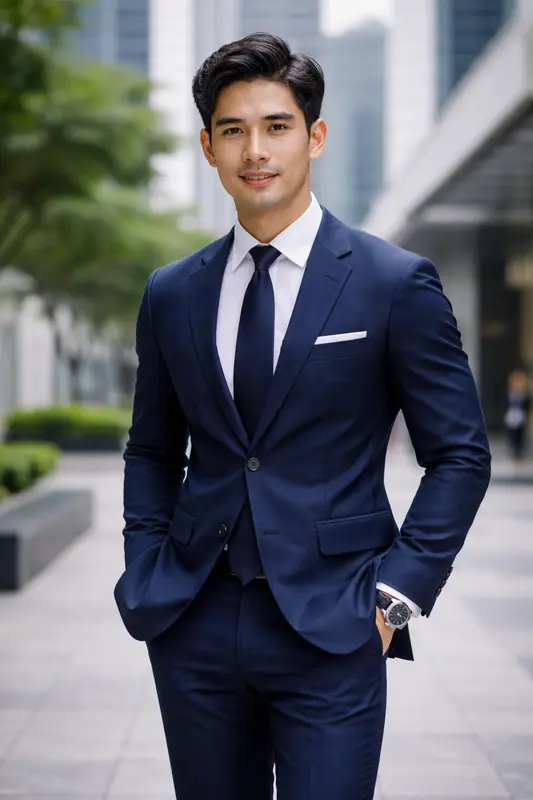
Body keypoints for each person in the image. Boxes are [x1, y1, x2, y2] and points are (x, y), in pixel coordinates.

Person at [114, 33, 491, 800]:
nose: (255, 149)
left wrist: (394, 597)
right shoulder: (172, 293)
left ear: (313, 137)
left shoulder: (392, 283)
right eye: (232, 130)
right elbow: (152, 450)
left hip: (336, 623)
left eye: (276, 126)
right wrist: (146, 568)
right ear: (208, 147)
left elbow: (459, 453)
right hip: (193, 619)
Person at [504, 368, 531, 460]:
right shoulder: (509, 392)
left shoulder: (524, 393)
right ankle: (513, 448)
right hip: (512, 414)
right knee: (512, 433)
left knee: (520, 433)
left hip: (520, 414)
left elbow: (526, 405)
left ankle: (518, 450)